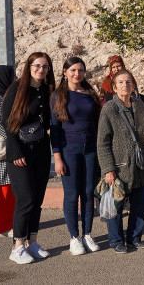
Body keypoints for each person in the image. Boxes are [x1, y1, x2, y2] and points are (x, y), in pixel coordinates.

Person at [3, 52, 55, 264]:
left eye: (45, 66)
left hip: (41, 151)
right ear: (29, 67)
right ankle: (17, 247)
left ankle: (32, 242)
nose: (40, 69)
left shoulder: (47, 90)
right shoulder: (17, 89)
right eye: (37, 65)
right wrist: (15, 152)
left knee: (38, 200)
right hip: (20, 153)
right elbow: (6, 122)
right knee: (26, 199)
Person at [97, 69, 144, 254]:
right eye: (121, 82)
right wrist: (108, 169)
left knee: (140, 205)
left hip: (140, 165)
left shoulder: (139, 106)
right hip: (118, 167)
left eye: (129, 82)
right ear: (114, 87)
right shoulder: (109, 108)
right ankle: (116, 241)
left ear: (134, 85)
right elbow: (103, 142)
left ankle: (134, 237)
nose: (125, 85)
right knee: (116, 207)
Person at [50, 57, 102, 255]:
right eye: (72, 70)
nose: (77, 74)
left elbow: (96, 123)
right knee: (72, 195)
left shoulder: (89, 93)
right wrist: (57, 158)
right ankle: (74, 237)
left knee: (88, 193)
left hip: (90, 149)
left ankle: (87, 234)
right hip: (68, 149)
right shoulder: (58, 95)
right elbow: (54, 129)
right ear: (65, 72)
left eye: (80, 70)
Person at [0, 66, 16, 238]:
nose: (14, 78)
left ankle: (4, 224)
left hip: (4, 149)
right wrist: (14, 131)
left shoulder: (2, 96)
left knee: (6, 189)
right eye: (11, 76)